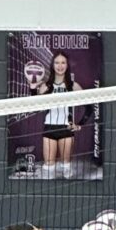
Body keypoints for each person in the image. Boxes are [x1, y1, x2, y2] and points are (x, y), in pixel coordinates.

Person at [34, 51, 91, 180]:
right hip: (49, 128)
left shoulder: (73, 86)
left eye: (63, 62)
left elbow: (89, 108)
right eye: (57, 62)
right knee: (48, 168)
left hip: (66, 129)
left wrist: (79, 124)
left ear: (67, 65)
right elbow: (35, 108)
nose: (60, 66)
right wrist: (33, 89)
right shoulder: (45, 86)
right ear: (53, 65)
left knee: (67, 169)